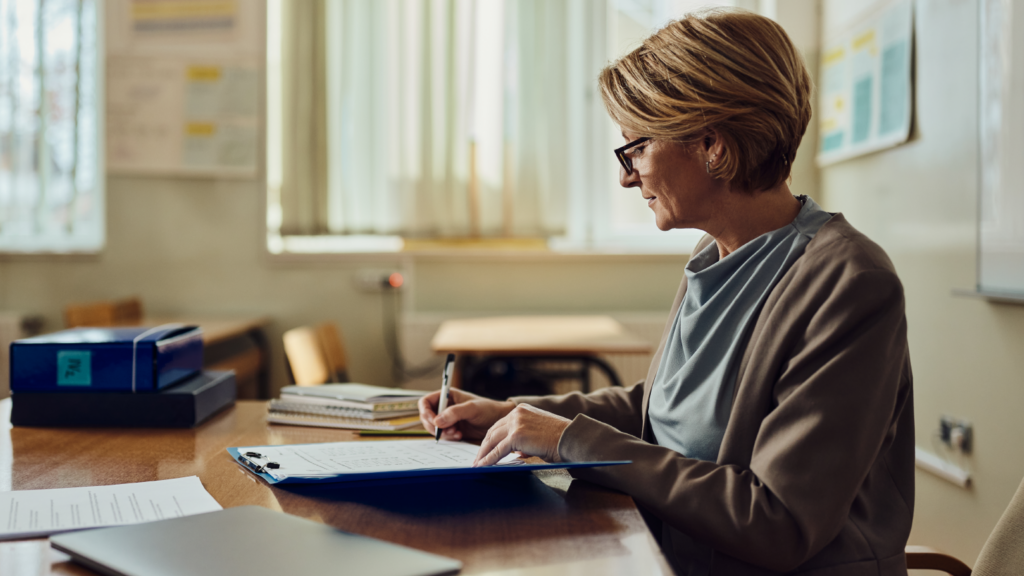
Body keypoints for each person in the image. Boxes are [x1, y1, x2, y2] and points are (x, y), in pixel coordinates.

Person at [419, 8, 913, 576]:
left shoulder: (849, 283)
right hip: (662, 555)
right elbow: (660, 412)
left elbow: (776, 522)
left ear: (713, 146)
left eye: (636, 149)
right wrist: (514, 416)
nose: (627, 177)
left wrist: (573, 442)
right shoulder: (713, 257)